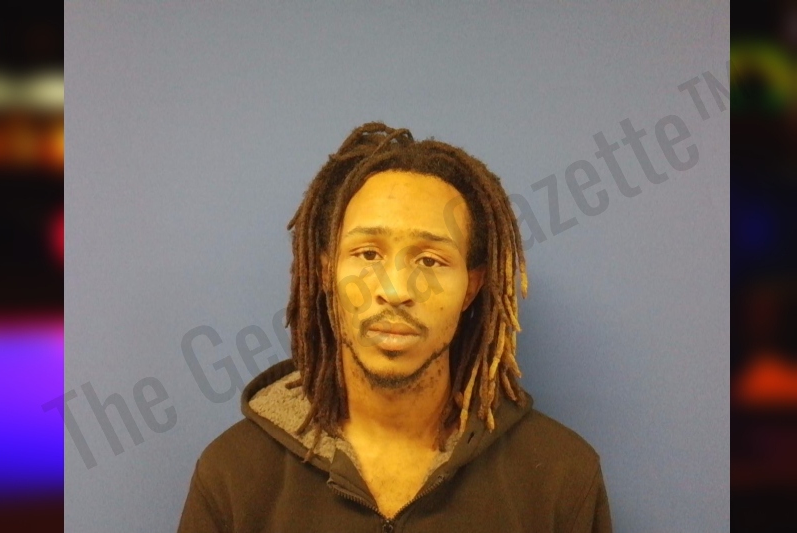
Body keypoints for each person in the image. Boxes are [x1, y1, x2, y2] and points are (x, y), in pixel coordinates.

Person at [177, 123, 612, 532]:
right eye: (368, 254)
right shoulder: (234, 475)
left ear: (471, 287)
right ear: (326, 273)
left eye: (430, 260)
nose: (395, 290)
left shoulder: (561, 478)